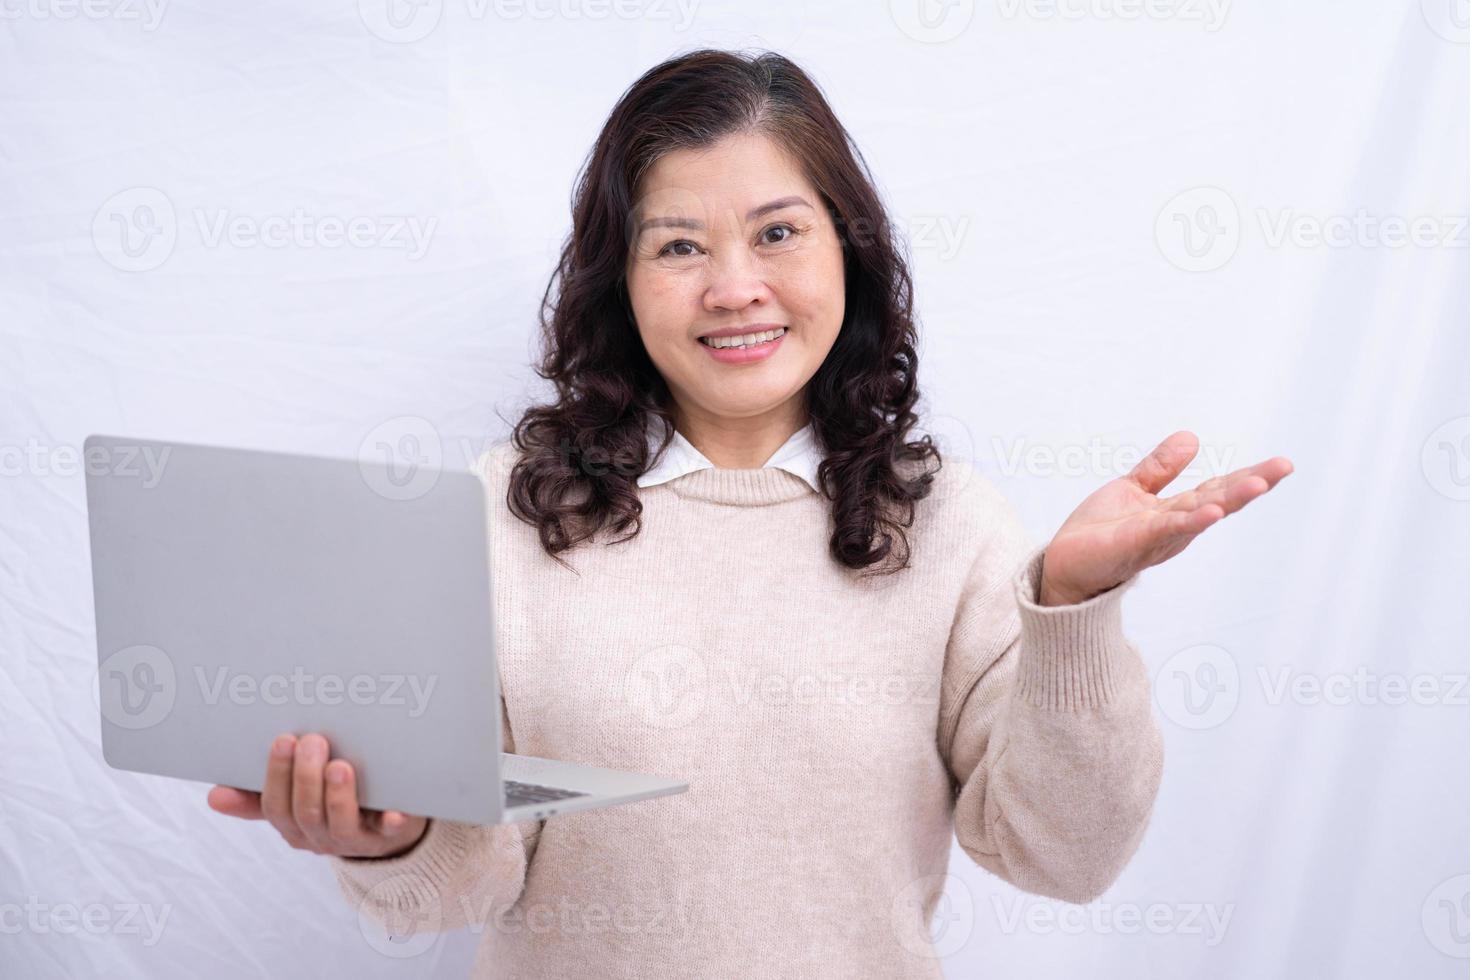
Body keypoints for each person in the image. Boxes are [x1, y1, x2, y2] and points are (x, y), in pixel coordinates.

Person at [206, 48, 1292, 978]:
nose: (734, 287)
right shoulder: (502, 510)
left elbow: (1066, 853)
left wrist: (1074, 604)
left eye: (778, 233)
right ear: (619, 281)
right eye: (680, 245)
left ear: (848, 254)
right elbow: (456, 884)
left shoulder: (949, 524)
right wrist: (388, 837)